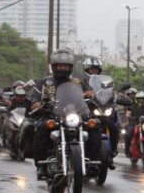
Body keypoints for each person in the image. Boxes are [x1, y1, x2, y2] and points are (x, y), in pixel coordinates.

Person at [30, 47, 101, 179]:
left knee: (94, 125)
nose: (63, 68)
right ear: (54, 66)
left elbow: (90, 92)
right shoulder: (45, 82)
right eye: (60, 65)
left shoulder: (77, 82)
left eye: (66, 66)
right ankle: (41, 165)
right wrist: (37, 103)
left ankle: (92, 163)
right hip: (52, 114)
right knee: (41, 127)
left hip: (75, 115)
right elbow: (35, 97)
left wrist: (90, 94)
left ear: (70, 67)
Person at [124, 90, 144, 158]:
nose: (141, 100)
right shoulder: (131, 107)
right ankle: (127, 150)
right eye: (140, 99)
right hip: (133, 124)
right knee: (128, 134)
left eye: (143, 99)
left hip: (143, 124)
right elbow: (127, 114)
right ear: (137, 99)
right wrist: (129, 117)